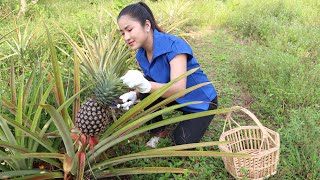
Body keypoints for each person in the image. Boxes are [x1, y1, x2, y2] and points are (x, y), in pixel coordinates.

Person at [116, 2, 218, 148]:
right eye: (122, 33)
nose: (126, 37)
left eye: (129, 29)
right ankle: (158, 131)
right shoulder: (141, 55)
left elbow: (180, 89)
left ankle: (195, 120)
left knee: (181, 142)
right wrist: (135, 95)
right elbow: (150, 82)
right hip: (178, 99)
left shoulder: (174, 46)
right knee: (145, 84)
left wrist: (145, 85)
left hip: (201, 102)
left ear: (146, 25)